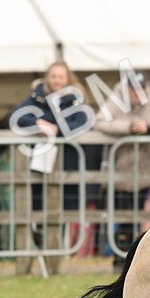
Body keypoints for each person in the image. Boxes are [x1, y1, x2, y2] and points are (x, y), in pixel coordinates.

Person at [94, 70, 150, 266]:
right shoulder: (115, 101)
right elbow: (99, 121)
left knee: (139, 217)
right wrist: (128, 126)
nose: (137, 93)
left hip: (142, 172)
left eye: (141, 89)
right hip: (119, 172)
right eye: (133, 89)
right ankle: (118, 258)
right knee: (122, 217)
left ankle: (133, 259)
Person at [10, 60, 92, 212]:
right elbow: (16, 116)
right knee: (40, 204)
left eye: (60, 77)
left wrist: (57, 129)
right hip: (41, 163)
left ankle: (64, 236)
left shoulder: (75, 100)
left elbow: (82, 121)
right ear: (47, 77)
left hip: (69, 161)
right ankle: (39, 234)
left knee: (69, 207)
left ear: (68, 79)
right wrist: (38, 123)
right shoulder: (36, 98)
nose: (57, 80)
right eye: (53, 76)